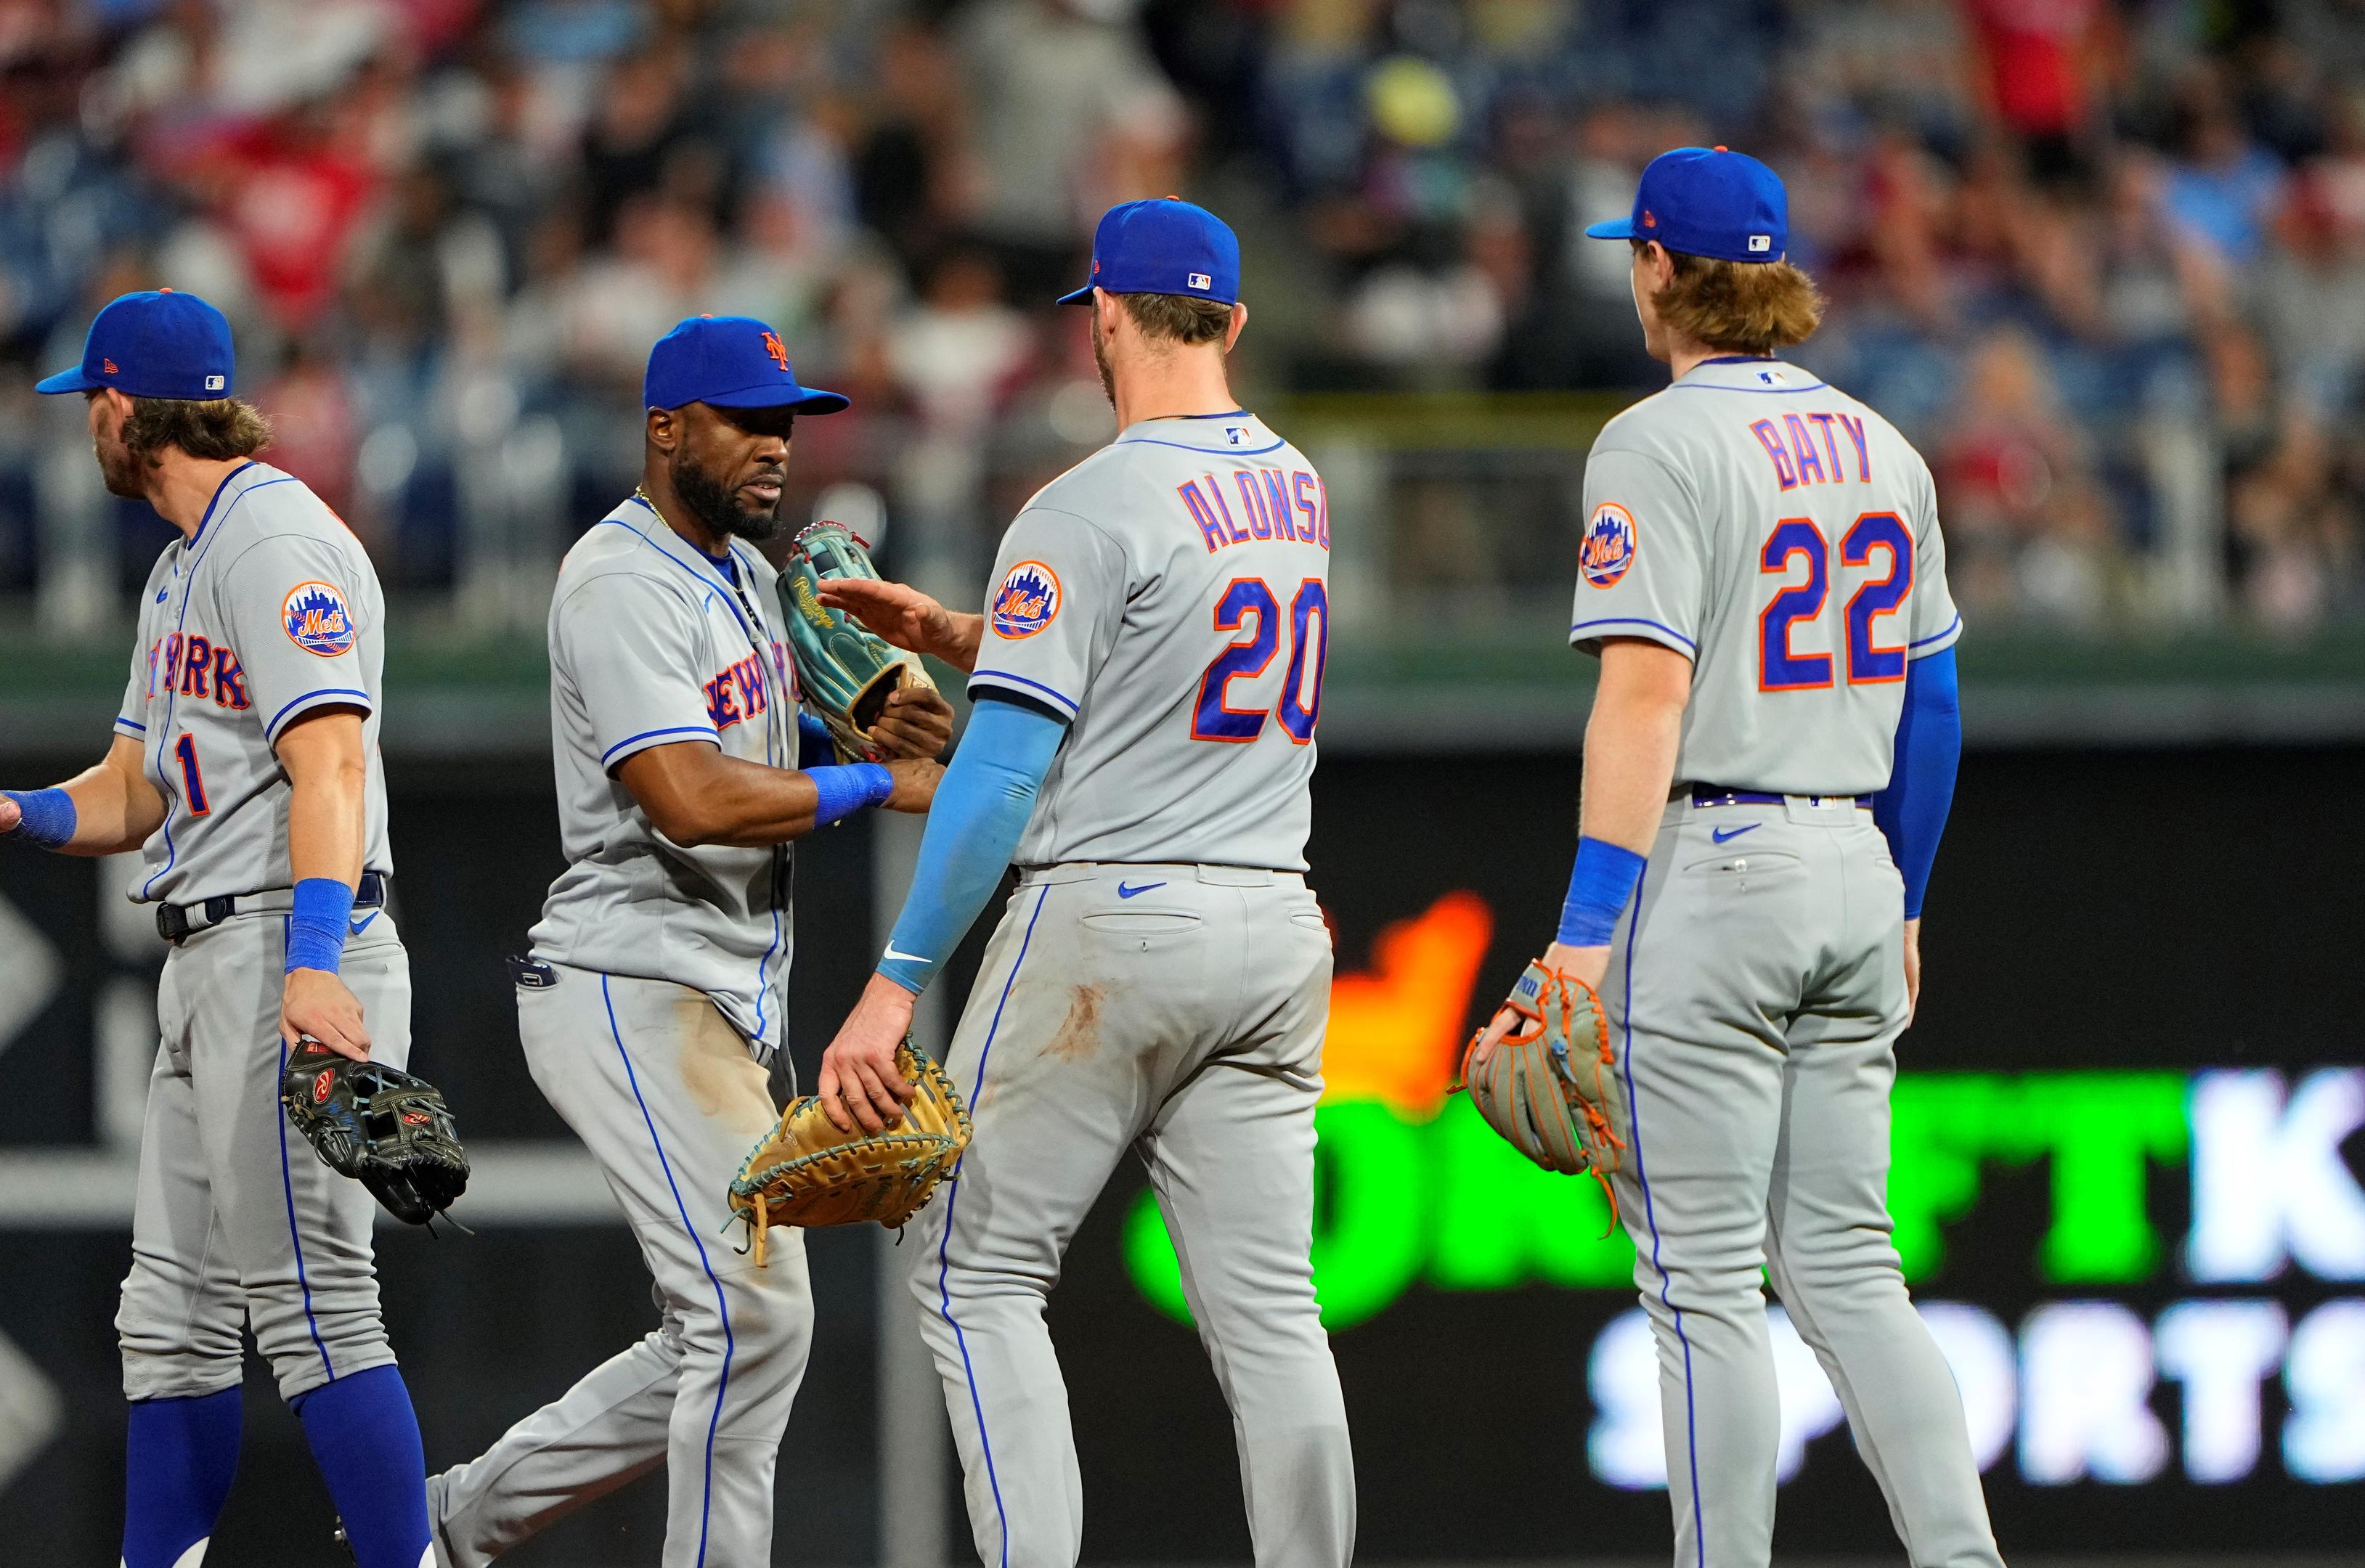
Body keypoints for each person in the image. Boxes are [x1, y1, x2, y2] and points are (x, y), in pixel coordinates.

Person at [814, 199, 1354, 1568]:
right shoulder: (1300, 484)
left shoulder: (1080, 500)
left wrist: (890, 990)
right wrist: (962, 633)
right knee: (1273, 1311)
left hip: (1110, 921)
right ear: (1231, 319)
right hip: (1274, 924)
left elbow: (997, 779)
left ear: (1104, 317)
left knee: (967, 1272)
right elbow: (1167, 630)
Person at [1475, 147, 1994, 1568]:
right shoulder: (1884, 441)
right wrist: (1905, 893)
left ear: (1654, 268)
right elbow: (1933, 705)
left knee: (1701, 1285)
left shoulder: (1656, 439)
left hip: (1716, 863)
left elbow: (1642, 698)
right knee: (1849, 1267)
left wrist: (1585, 934)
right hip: (1852, 868)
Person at [0, 289, 439, 1568]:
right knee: (174, 1324)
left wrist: (313, 969)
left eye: (86, 403)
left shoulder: (272, 543)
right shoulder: (182, 564)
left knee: (318, 1308)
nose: (81, 427)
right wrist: (23, 812)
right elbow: (138, 789)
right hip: (213, 950)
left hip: (290, 943)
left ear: (122, 408)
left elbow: (333, 768)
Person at [427, 314, 952, 1568]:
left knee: (716, 1328)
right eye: (746, 421)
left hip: (712, 994)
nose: (777, 446)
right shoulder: (618, 580)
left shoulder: (742, 576)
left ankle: (448, 1524)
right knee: (758, 1318)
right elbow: (691, 798)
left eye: (787, 422)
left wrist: (883, 720)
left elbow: (777, 762)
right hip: (627, 982)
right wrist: (876, 790)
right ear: (666, 429)